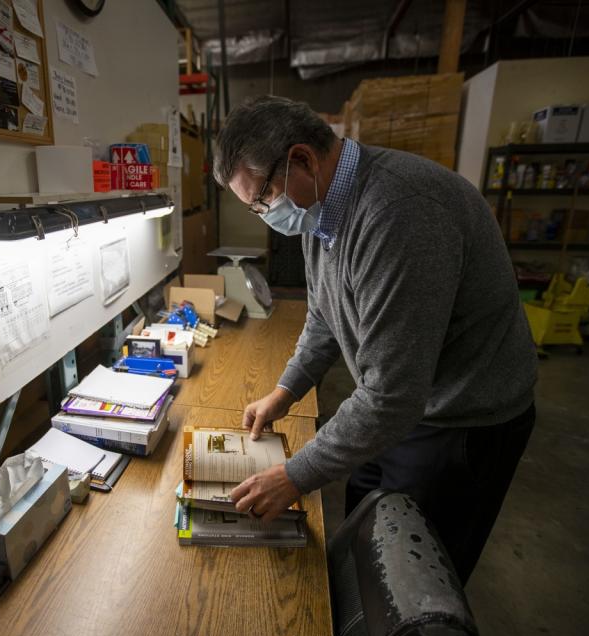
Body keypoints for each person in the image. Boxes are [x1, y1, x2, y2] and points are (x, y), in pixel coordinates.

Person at [217, 95, 537, 584]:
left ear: (302, 158)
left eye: (262, 199)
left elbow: (391, 396)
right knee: (365, 536)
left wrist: (293, 476)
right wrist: (286, 391)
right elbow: (324, 314)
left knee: (414, 582)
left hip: (461, 419)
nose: (264, 214)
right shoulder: (320, 204)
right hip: (403, 402)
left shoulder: (400, 212)